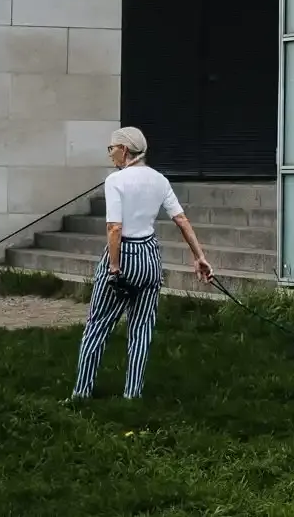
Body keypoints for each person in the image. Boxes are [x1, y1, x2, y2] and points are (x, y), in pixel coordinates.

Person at [70, 127, 214, 400]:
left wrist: (114, 267)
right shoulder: (160, 180)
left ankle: (81, 393)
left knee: (98, 325)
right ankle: (132, 394)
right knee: (141, 329)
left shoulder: (115, 181)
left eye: (111, 148)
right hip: (150, 257)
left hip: (124, 254)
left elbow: (114, 227)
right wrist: (200, 257)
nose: (110, 153)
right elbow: (181, 220)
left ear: (124, 150)